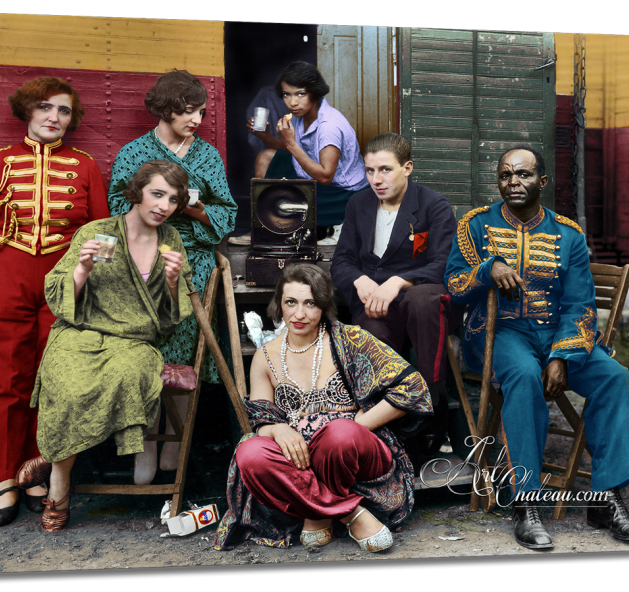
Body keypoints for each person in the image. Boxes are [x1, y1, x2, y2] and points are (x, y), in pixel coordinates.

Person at [444, 146, 629, 550]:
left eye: (522, 174)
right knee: (521, 374)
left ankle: (608, 500)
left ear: (542, 181)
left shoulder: (567, 235)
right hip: (499, 333)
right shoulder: (476, 226)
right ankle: (526, 502)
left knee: (613, 376)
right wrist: (488, 268)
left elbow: (579, 305)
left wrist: (561, 356)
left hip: (558, 337)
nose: (513, 182)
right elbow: (454, 287)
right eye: (505, 175)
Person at [0, 76, 110, 527]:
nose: (53, 118)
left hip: (64, 280)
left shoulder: (85, 166)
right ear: (28, 112)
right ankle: (6, 478)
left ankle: (37, 472)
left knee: (54, 378)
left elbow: (100, 234)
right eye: (45, 108)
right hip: (6, 275)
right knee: (5, 379)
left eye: (63, 111)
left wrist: (94, 293)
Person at [16, 160, 194, 532]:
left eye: (173, 199)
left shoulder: (171, 240)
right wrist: (82, 270)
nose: (163, 206)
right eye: (157, 194)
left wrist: (175, 281)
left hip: (133, 340)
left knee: (127, 374)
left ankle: (52, 469)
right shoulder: (98, 233)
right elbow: (58, 292)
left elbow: (169, 318)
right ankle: (60, 484)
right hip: (82, 333)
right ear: (138, 191)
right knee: (65, 381)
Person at [213, 264, 433, 552]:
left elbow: (414, 388)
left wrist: (359, 425)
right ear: (279, 303)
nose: (299, 314)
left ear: (325, 305)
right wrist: (278, 429)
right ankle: (345, 513)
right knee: (249, 453)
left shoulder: (352, 340)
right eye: (291, 302)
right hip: (300, 459)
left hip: (353, 448)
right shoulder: (264, 357)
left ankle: (318, 510)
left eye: (311, 303)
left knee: (338, 434)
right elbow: (261, 419)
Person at [107, 70, 237, 476]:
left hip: (193, 263)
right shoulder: (134, 153)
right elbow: (114, 204)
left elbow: (227, 212)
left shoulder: (207, 156)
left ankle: (173, 456)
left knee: (184, 357)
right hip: (143, 260)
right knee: (146, 354)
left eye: (200, 111)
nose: (196, 119)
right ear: (165, 109)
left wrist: (195, 211)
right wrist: (151, 217)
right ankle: (143, 454)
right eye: (186, 111)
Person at [330, 132, 463, 462]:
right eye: (369, 170)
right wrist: (359, 280)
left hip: (420, 301)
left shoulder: (434, 206)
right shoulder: (358, 204)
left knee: (422, 300)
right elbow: (342, 260)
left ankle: (433, 400)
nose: (376, 179)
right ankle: (387, 427)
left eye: (385, 170)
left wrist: (400, 281)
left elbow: (442, 264)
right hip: (377, 304)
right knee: (370, 334)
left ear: (407, 168)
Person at [230, 61, 368, 246]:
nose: (292, 102)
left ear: (315, 92)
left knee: (283, 176)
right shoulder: (299, 116)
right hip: (315, 178)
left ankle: (279, 226)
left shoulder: (329, 126)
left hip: (340, 194)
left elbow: (326, 176)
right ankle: (265, 225)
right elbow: (288, 148)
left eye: (300, 94)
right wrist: (264, 136)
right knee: (266, 157)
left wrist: (292, 143)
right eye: (287, 94)